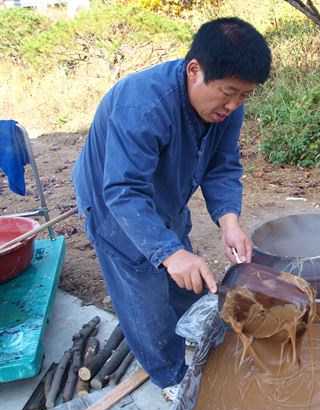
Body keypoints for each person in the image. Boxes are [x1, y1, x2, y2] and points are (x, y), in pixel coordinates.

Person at [72, 17, 271, 389]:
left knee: (186, 280)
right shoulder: (143, 105)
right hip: (113, 203)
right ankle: (170, 377)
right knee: (146, 296)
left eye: (245, 95)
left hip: (163, 199)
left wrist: (229, 221)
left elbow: (222, 164)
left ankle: (195, 337)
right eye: (228, 92)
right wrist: (169, 252)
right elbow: (124, 191)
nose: (234, 104)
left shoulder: (228, 107)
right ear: (194, 70)